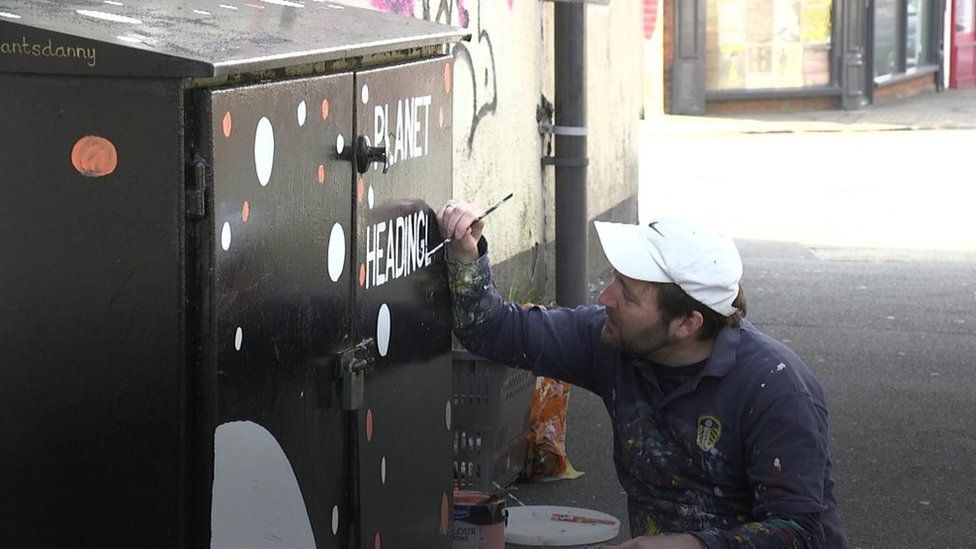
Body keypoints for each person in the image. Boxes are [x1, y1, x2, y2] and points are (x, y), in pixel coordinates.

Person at [436, 200, 847, 549]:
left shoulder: (775, 387)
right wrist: (466, 254)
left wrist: (690, 544)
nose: (605, 297)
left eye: (628, 294)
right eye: (615, 279)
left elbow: (800, 531)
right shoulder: (612, 339)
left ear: (687, 323)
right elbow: (494, 331)